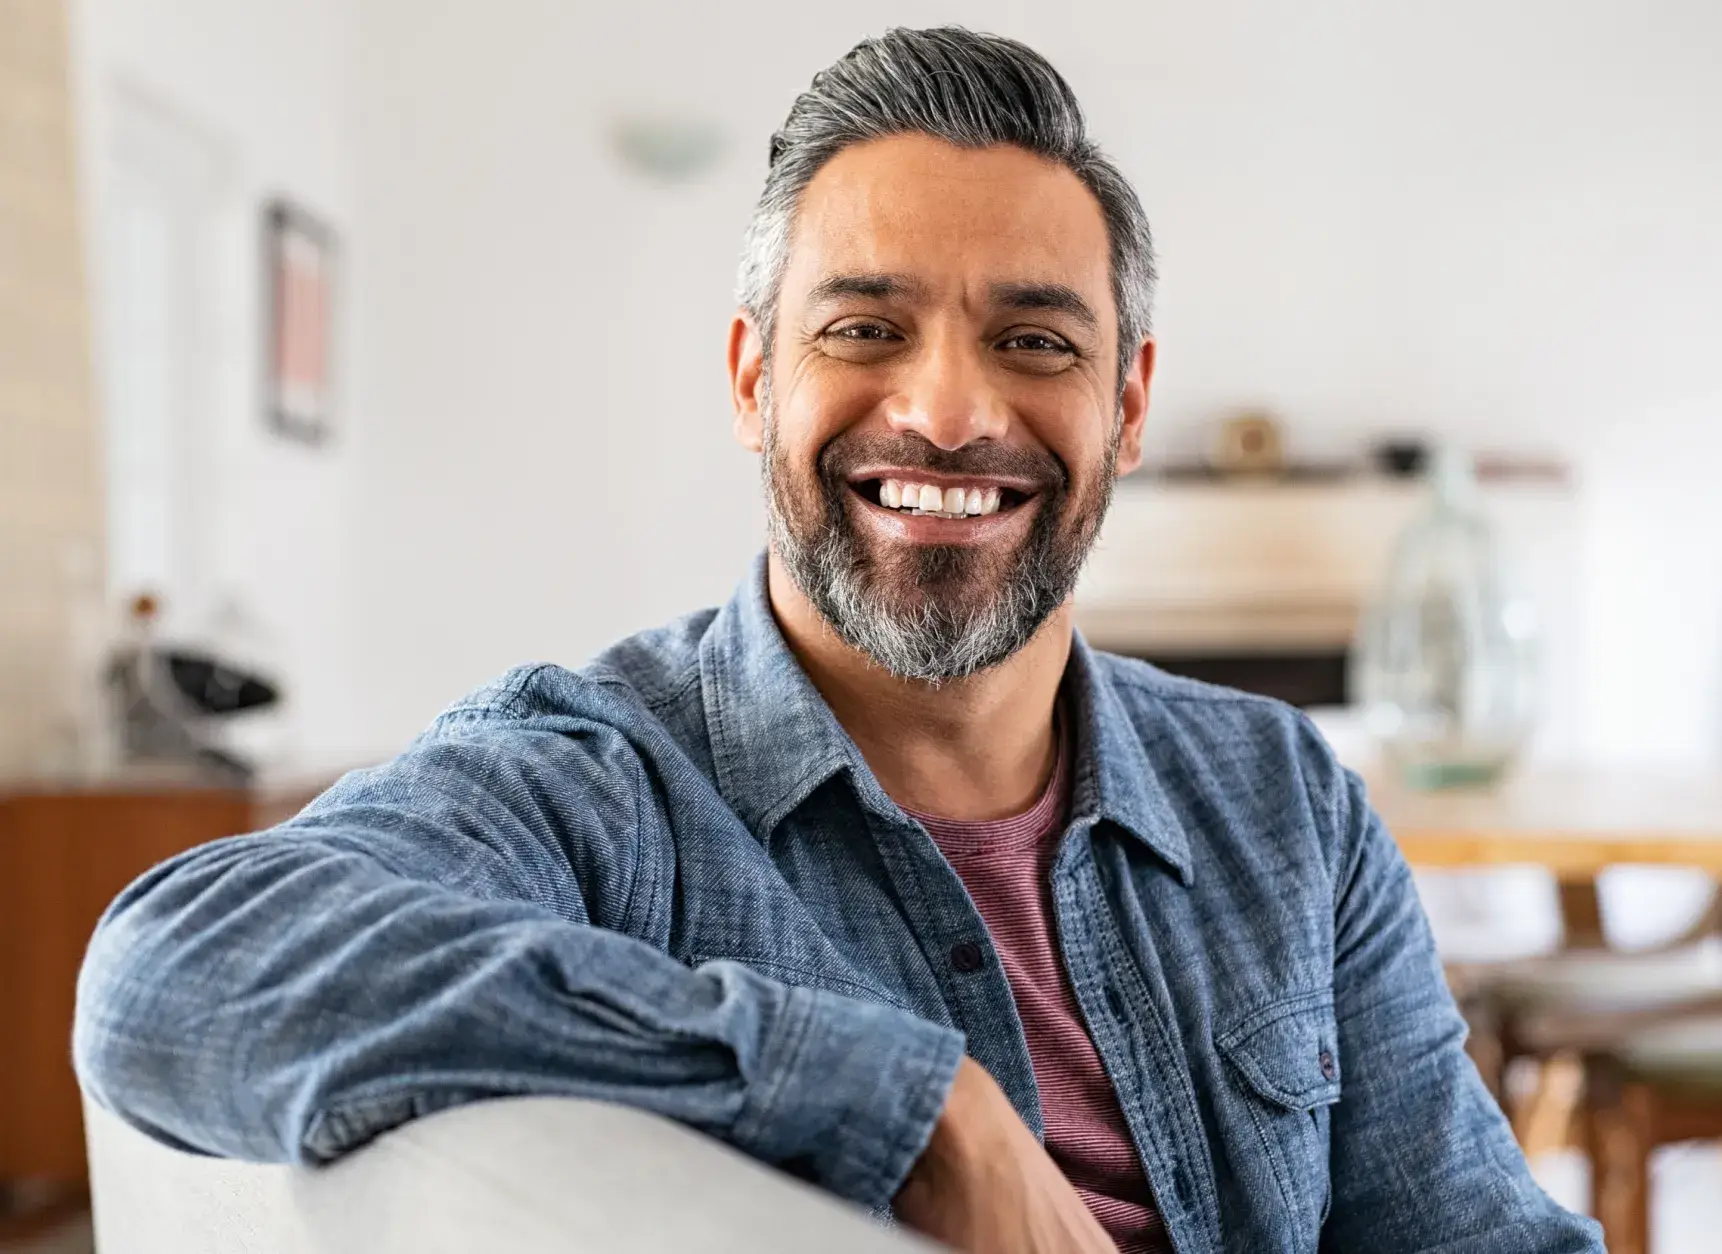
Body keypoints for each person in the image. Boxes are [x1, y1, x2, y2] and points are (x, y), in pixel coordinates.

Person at [75, 27, 1601, 1254]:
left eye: (1035, 340)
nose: (946, 410)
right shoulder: (602, 783)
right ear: (753, 377)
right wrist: (911, 1104)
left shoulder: (1281, 796)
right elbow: (176, 971)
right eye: (863, 328)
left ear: (1126, 405)